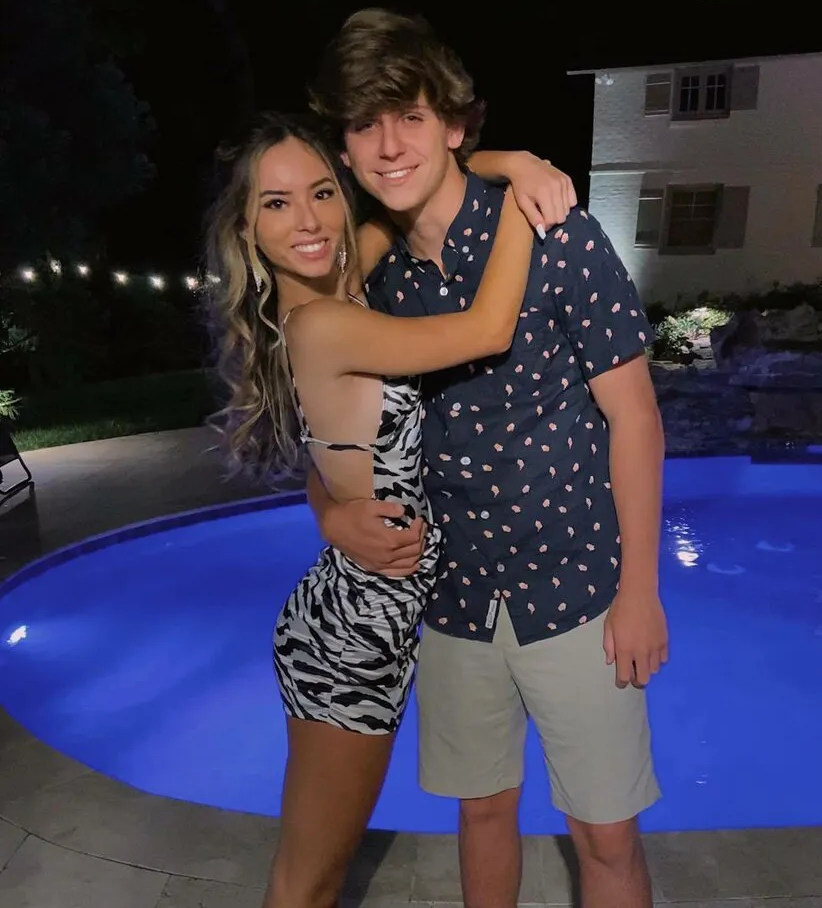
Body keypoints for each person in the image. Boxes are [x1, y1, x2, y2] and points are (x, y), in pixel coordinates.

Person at [307, 9, 669, 908]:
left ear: (454, 125)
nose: (390, 144)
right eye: (366, 123)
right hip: (455, 599)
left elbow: (634, 418)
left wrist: (640, 590)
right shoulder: (373, 282)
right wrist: (331, 509)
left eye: (411, 115)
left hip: (578, 590)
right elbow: (324, 422)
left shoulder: (555, 232)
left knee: (607, 836)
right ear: (345, 150)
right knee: (481, 814)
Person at [204, 110, 576, 908]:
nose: (308, 221)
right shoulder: (326, 323)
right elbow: (488, 329)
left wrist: (507, 158)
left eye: (321, 193)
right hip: (353, 640)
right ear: (246, 229)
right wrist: (523, 196)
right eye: (276, 204)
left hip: (366, 612)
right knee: (308, 882)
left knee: (315, 875)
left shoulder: (338, 288)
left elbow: (409, 190)